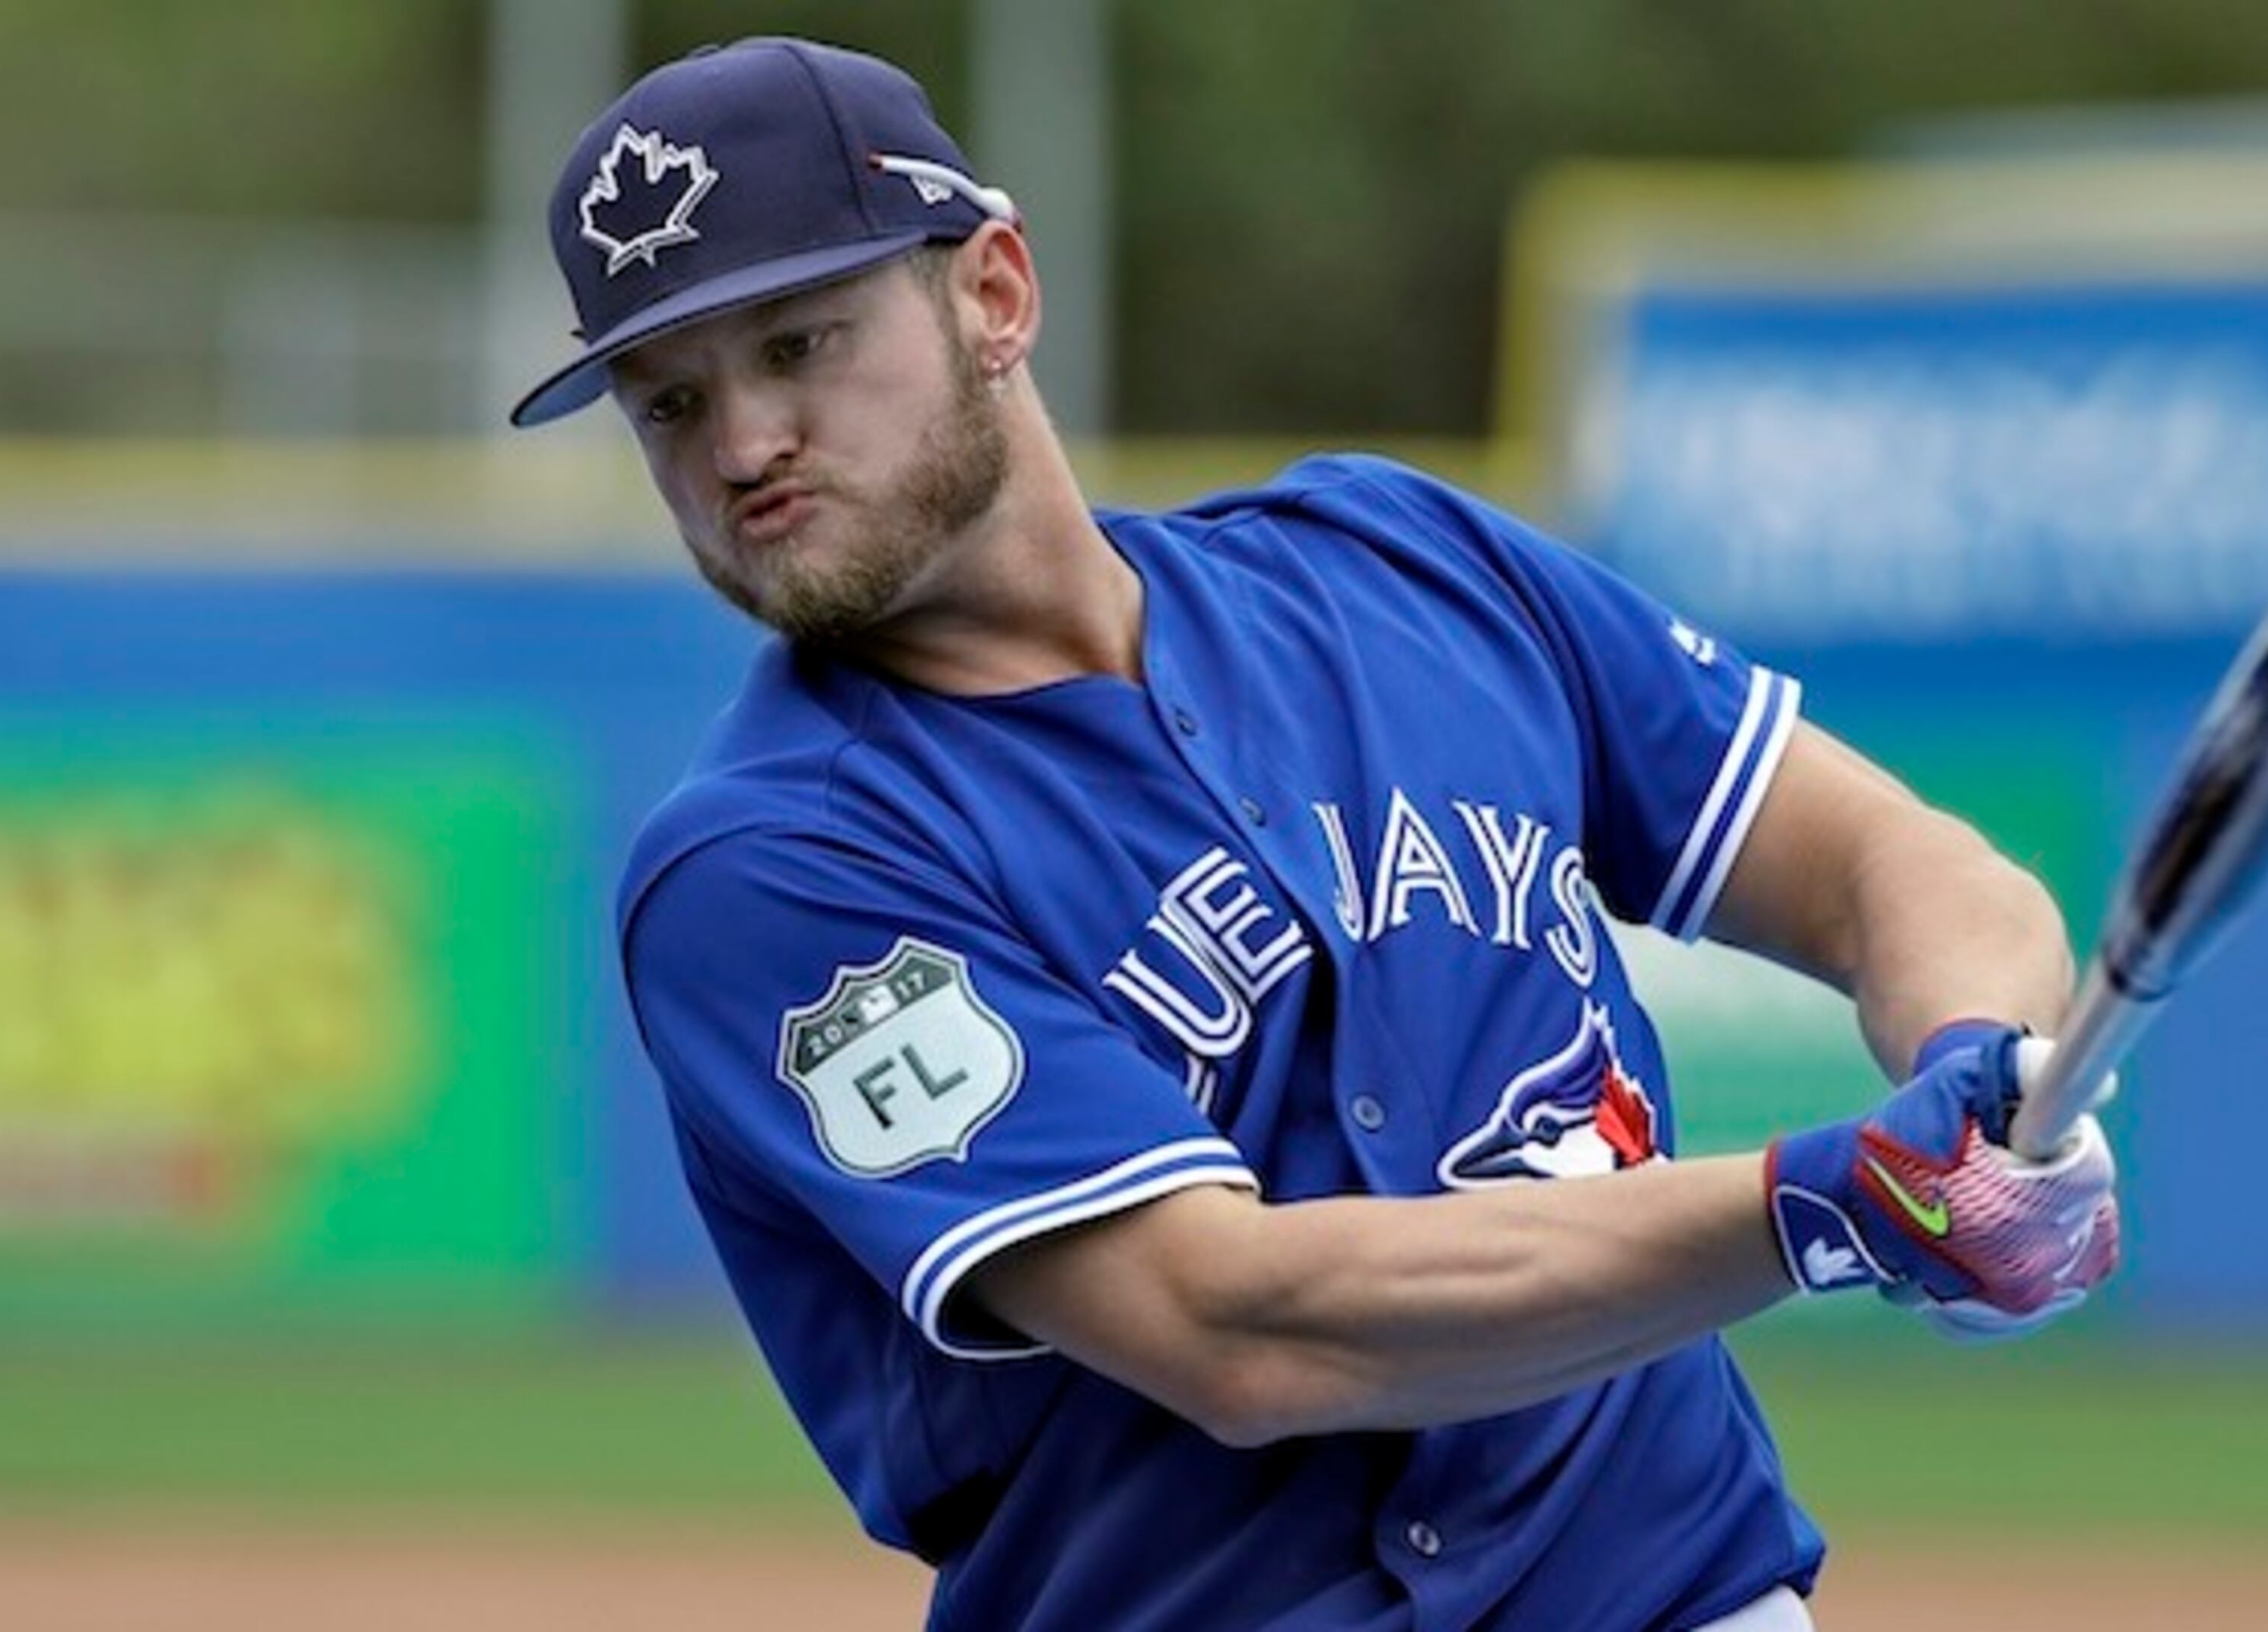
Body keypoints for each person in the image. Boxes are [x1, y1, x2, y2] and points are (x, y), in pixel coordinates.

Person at [514, 36, 2121, 1632]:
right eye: (670, 403)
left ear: (994, 293)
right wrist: (1835, 1204)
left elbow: (1897, 868)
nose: (740, 447)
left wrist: (1976, 1087)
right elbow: (1237, 1330)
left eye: (799, 344)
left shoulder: (1399, 569)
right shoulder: (769, 869)